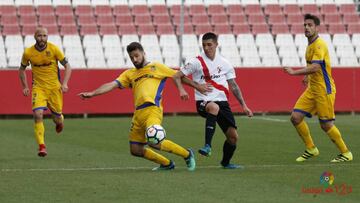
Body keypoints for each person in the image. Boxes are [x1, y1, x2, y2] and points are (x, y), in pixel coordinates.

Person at [79, 42, 208, 171]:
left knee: (153, 141)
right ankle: (166, 163)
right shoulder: (129, 74)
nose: (134, 59)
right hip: (138, 114)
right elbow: (112, 84)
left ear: (143, 53)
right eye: (131, 58)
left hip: (153, 110)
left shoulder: (156, 67)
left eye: (136, 56)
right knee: (135, 149)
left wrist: (196, 86)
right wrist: (93, 93)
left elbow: (178, 76)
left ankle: (186, 154)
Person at [173, 32, 253, 169]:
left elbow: (233, 85)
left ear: (216, 44)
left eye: (209, 45)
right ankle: (207, 146)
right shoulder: (196, 62)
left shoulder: (225, 63)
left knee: (233, 137)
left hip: (223, 103)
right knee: (213, 107)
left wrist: (244, 106)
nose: (206, 48)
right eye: (204, 45)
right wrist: (191, 87)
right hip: (204, 102)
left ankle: (226, 163)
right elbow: (177, 76)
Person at [284, 14, 353, 163]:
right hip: (312, 89)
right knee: (295, 118)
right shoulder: (310, 45)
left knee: (325, 124)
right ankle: (311, 149)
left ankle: (346, 153)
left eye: (310, 25)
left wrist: (294, 72)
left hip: (324, 90)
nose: (307, 28)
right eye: (305, 25)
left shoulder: (319, 44)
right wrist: (307, 76)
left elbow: (315, 67)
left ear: (316, 27)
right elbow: (316, 66)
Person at [19, 27, 72, 157]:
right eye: (39, 36)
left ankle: (60, 122)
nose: (42, 38)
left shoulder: (54, 49)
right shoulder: (28, 52)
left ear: (47, 37)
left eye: (44, 36)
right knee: (38, 114)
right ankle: (42, 146)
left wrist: (65, 83)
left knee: (57, 118)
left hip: (54, 88)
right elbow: (21, 70)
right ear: (35, 37)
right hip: (39, 88)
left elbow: (68, 66)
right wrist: (25, 86)